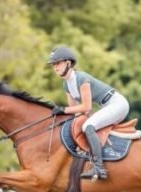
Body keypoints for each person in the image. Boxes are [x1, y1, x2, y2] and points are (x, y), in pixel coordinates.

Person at [48, 46, 129, 181]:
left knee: (88, 126)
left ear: (68, 63)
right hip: (106, 106)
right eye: (53, 64)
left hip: (117, 104)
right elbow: (76, 112)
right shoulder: (66, 85)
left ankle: (99, 167)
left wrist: (63, 110)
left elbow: (86, 106)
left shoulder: (81, 78)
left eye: (58, 63)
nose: (55, 67)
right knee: (82, 124)